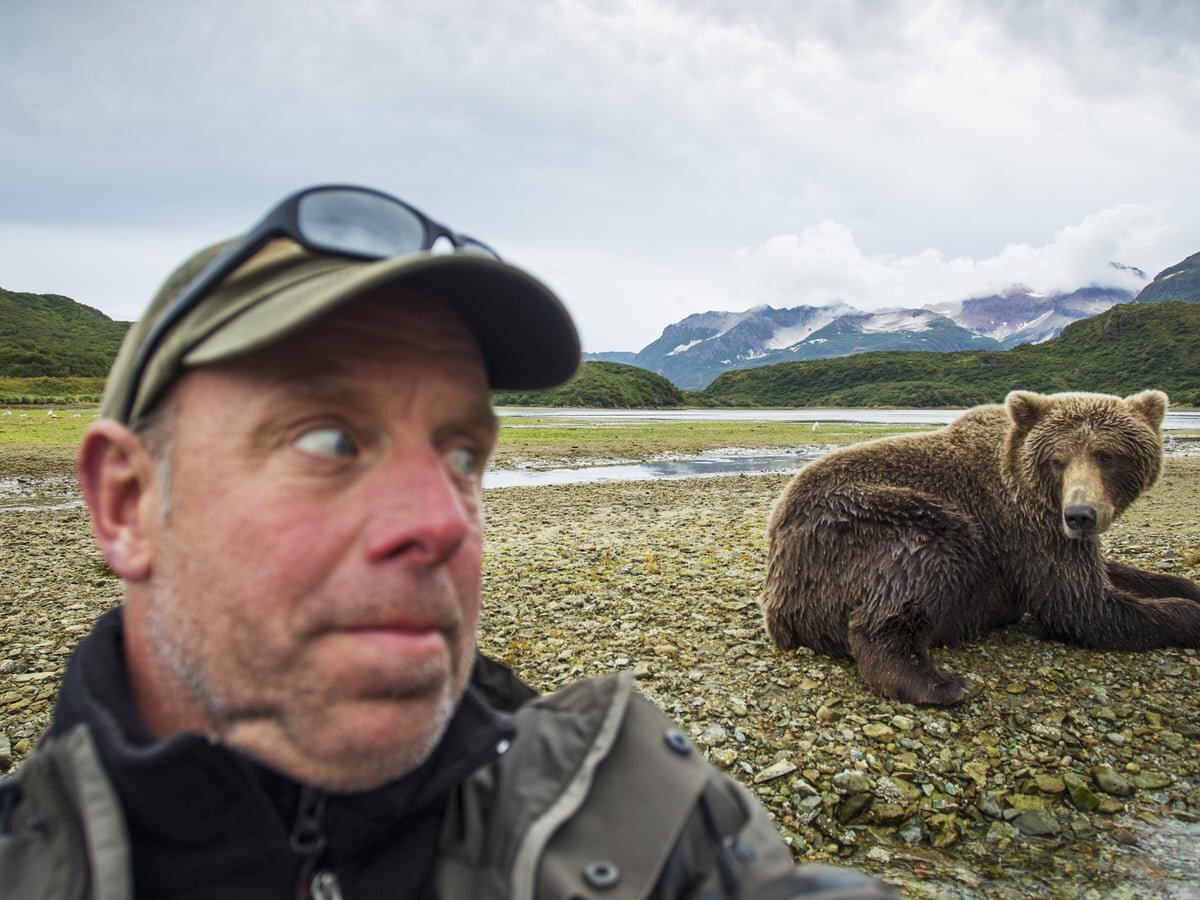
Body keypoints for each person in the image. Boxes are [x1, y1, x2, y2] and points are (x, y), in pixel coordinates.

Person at [0, 185, 894, 899]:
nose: (441, 521)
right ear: (125, 503)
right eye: (329, 441)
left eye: (463, 454)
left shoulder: (644, 816)